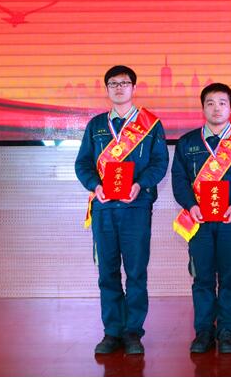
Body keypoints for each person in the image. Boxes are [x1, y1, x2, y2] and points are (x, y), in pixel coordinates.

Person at [74, 65, 169, 355]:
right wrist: (95, 186)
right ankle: (112, 331)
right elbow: (83, 163)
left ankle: (133, 333)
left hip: (136, 207)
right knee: (108, 272)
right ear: (107, 89)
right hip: (104, 208)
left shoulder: (151, 125)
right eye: (113, 83)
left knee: (136, 271)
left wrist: (140, 185)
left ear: (134, 88)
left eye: (124, 83)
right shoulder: (96, 126)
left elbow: (159, 163)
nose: (119, 88)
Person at [171, 83, 231, 354]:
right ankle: (203, 331)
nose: (216, 108)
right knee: (202, 277)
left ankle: (226, 330)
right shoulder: (188, 142)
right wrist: (190, 205)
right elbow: (179, 179)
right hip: (199, 221)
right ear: (203, 108)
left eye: (222, 103)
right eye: (210, 103)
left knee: (230, 276)